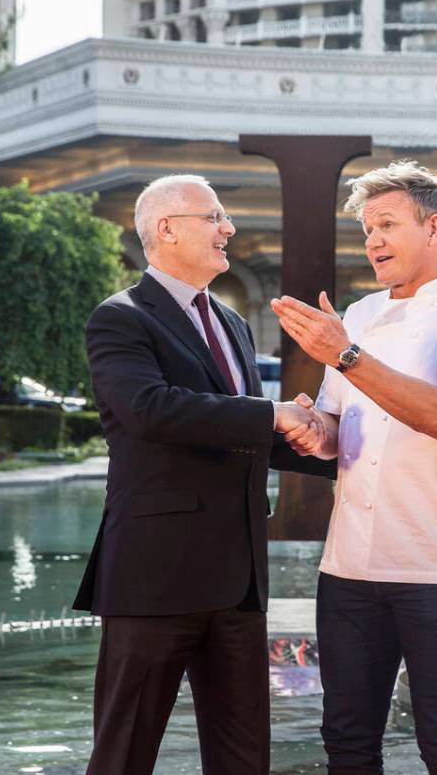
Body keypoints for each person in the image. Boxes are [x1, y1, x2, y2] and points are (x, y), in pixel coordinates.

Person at [72, 174, 334, 775]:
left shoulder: (233, 324)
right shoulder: (120, 318)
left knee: (244, 760)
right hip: (154, 579)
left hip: (239, 583)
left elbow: (243, 438)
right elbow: (152, 410)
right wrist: (275, 413)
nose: (229, 229)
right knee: (123, 755)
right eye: (214, 216)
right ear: (167, 229)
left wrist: (321, 444)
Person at [270, 161, 437, 775]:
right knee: (347, 742)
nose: (372, 240)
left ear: (433, 227)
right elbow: (335, 431)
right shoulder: (357, 316)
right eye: (365, 228)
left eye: (386, 224)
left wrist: (344, 355)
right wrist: (308, 428)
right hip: (348, 567)